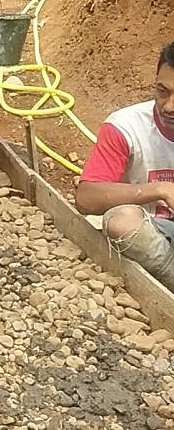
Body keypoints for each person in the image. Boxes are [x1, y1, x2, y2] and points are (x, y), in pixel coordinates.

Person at [75, 44, 174, 290]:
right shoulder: (126, 127)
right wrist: (160, 189)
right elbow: (86, 198)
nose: (169, 106)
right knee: (121, 222)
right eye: (162, 91)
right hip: (152, 232)